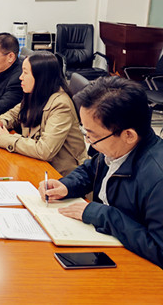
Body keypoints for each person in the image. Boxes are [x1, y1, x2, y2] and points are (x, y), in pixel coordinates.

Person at [39, 76, 163, 269]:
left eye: (92, 136)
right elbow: (91, 170)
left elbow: (159, 250)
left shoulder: (157, 178)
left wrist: (103, 215)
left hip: (136, 269)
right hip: (105, 248)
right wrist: (66, 185)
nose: (89, 141)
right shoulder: (116, 148)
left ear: (128, 135)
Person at [0, 51, 87, 176]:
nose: (20, 77)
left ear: (41, 77)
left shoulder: (61, 105)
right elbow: (14, 114)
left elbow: (45, 150)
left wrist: (4, 138)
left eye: (25, 73)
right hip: (37, 165)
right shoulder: (36, 92)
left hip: (60, 174)